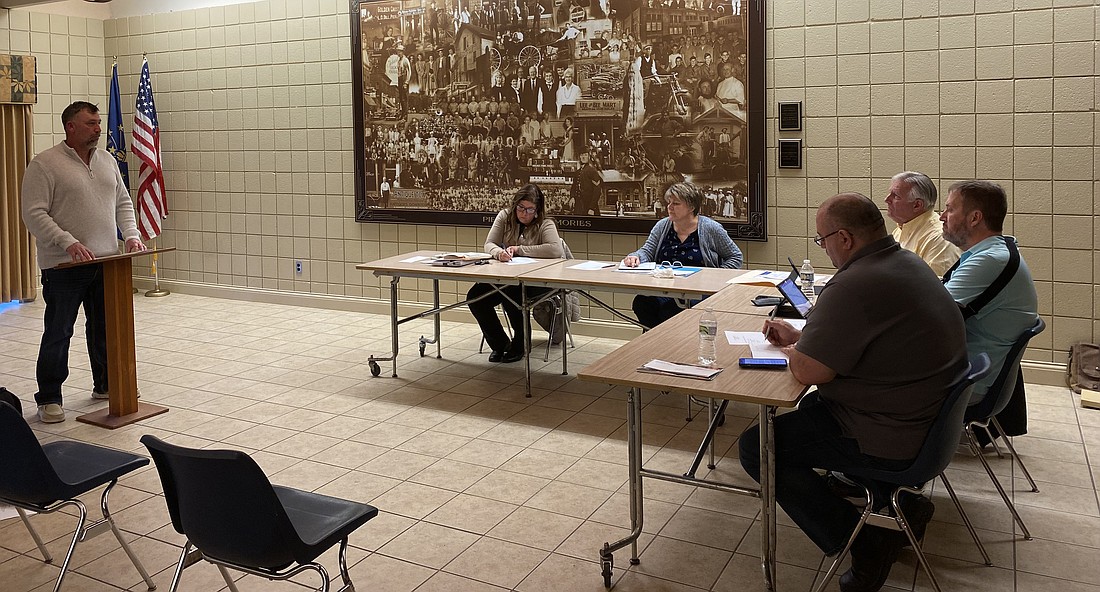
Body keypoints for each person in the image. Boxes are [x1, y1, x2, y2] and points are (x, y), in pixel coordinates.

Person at [739, 193, 967, 592]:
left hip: (888, 431)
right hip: (925, 421)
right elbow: (870, 339)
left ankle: (865, 542)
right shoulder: (904, 263)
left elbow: (811, 370)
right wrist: (805, 336)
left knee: (758, 446)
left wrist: (797, 350)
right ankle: (901, 504)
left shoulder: (856, 281)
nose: (823, 248)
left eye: (822, 239)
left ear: (844, 238)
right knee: (808, 411)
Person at [20, 101, 148, 424]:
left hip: (106, 262)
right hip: (64, 266)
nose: (97, 128)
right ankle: (49, 397)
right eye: (90, 123)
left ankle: (106, 386)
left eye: (98, 122)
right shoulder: (45, 165)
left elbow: (123, 202)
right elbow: (33, 214)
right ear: (70, 127)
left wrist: (130, 234)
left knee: (104, 328)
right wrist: (68, 242)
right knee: (59, 331)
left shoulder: (107, 161)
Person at [941, 180, 1039, 416]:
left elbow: (932, 315)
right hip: (974, 371)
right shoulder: (994, 251)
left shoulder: (989, 260)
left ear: (974, 218)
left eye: (950, 209)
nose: (942, 216)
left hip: (968, 382)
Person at [621, 182, 743, 328]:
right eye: (669, 202)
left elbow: (735, 257)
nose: (669, 207)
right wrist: (636, 256)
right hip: (665, 288)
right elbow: (647, 250)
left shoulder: (711, 228)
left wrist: (715, 276)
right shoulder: (662, 225)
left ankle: (670, 343)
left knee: (671, 309)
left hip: (696, 291)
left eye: (676, 203)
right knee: (641, 303)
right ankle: (656, 342)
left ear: (691, 207)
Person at [467, 184, 563, 363]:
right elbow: (489, 243)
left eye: (529, 209)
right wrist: (498, 253)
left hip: (537, 281)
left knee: (512, 294)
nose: (523, 213)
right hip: (506, 276)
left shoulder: (545, 223)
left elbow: (555, 250)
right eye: (520, 208)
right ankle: (500, 345)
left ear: (537, 210)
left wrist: (520, 250)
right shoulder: (504, 217)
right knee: (475, 297)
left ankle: (520, 344)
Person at [885, 171, 960, 277]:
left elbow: (938, 289)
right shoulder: (900, 229)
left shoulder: (940, 238)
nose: (887, 200)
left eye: (895, 196)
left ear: (917, 205)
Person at [574, 151, 602, 215]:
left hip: (589, 207)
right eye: (581, 155)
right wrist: (572, 197)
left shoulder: (592, 171)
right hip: (579, 207)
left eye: (585, 155)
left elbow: (597, 191)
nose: (583, 157)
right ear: (579, 157)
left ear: (589, 157)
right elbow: (574, 187)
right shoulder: (577, 172)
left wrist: (592, 208)